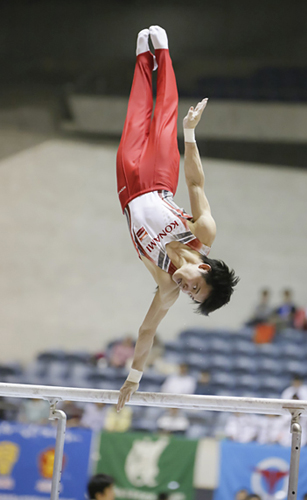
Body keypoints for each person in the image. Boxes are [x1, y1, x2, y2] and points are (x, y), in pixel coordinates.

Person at [116, 26, 239, 411]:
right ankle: (164, 53)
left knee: (137, 116)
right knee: (163, 117)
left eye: (192, 296)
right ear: (204, 268)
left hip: (127, 190)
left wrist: (133, 378)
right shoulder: (202, 233)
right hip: (158, 179)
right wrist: (190, 134)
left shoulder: (166, 285)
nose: (186, 292)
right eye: (196, 289)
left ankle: (142, 57)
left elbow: (147, 331)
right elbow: (196, 181)